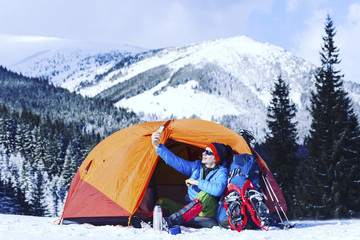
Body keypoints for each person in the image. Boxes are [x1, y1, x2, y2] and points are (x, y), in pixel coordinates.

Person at [151, 130, 232, 229]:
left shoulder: (222, 172)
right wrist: (157, 146)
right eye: (204, 151)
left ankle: (172, 221)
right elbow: (176, 162)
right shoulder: (197, 166)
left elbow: (218, 189)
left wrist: (196, 182)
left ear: (216, 158)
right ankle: (151, 222)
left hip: (207, 214)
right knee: (162, 202)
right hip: (188, 211)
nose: (204, 153)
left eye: (208, 152)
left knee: (206, 194)